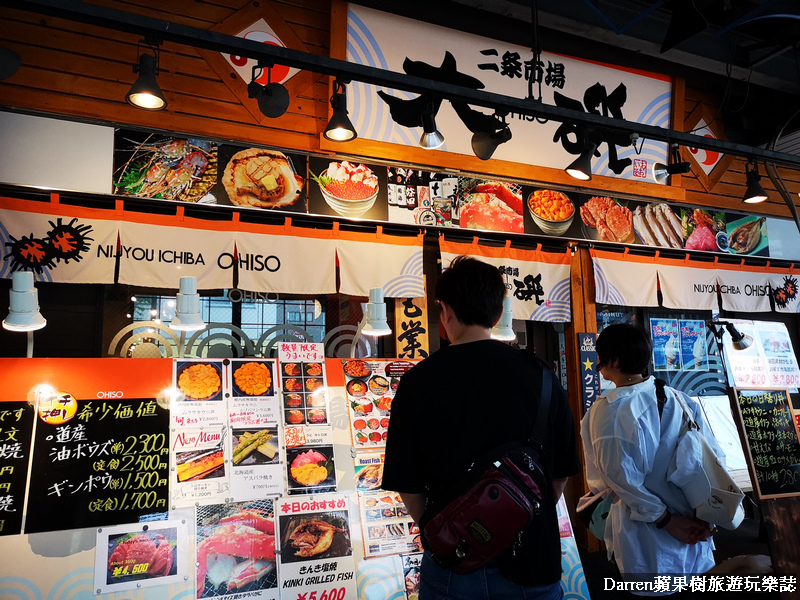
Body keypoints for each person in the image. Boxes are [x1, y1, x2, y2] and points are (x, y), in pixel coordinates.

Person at [382, 255, 581, 600]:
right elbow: (559, 476)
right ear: (498, 314)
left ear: (444, 312)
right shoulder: (543, 377)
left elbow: (409, 488)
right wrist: (512, 519)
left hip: (451, 569)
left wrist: (457, 534)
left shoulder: (417, 382)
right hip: (532, 560)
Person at [580, 323, 721, 595]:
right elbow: (711, 458)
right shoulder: (678, 398)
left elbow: (620, 480)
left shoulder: (612, 409)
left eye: (601, 356)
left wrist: (667, 521)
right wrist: (708, 515)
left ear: (615, 360)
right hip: (693, 524)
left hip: (648, 535)